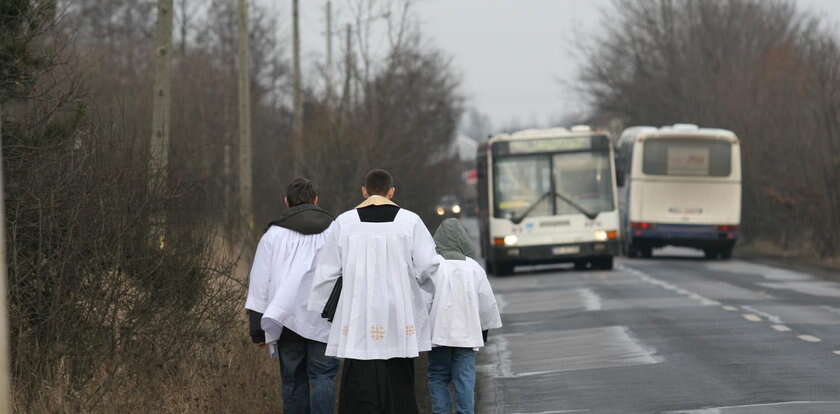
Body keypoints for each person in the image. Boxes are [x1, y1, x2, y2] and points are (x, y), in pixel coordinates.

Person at [307, 169, 440, 414]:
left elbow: (325, 272)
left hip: (358, 315)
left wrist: (322, 312)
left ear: (364, 191)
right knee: (398, 380)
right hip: (398, 315)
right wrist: (425, 300)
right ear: (391, 192)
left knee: (359, 381)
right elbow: (428, 266)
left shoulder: (344, 223)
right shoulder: (410, 221)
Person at [245, 177, 339, 414]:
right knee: (323, 377)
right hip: (325, 318)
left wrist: (257, 328)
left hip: (285, 318)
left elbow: (259, 283)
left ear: (286, 202)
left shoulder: (272, 236)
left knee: (293, 380)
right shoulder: (336, 230)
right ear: (316, 200)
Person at [427, 218, 502, 414]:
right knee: (465, 379)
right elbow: (486, 304)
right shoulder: (474, 268)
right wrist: (484, 331)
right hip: (467, 337)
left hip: (438, 336)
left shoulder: (433, 267)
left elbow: (423, 301)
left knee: (437, 377)